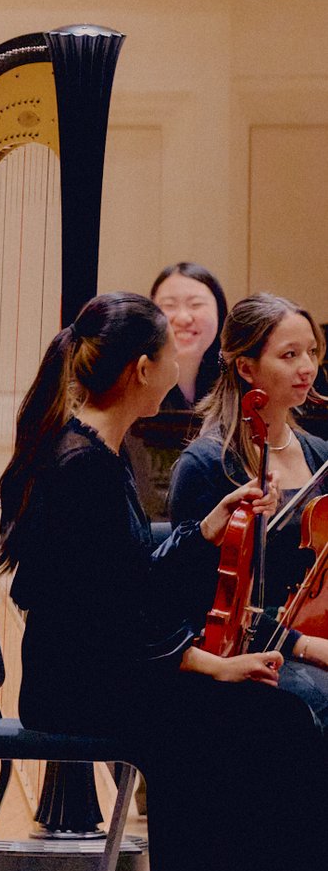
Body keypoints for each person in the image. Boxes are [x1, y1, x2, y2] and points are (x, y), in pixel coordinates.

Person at [0, 291, 326, 871]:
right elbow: (108, 623)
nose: (179, 369)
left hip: (96, 672)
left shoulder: (95, 452)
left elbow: (129, 580)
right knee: (276, 718)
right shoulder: (83, 468)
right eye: (169, 355)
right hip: (77, 686)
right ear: (143, 371)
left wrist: (205, 530)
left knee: (268, 715)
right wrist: (212, 664)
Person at [167, 293, 328, 728]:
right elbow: (192, 596)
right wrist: (308, 646)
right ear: (246, 367)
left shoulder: (320, 455)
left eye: (312, 352)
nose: (307, 367)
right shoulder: (206, 465)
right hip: (245, 654)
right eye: (289, 355)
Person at [151, 261, 228, 411]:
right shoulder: (135, 384)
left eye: (196, 304)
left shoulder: (236, 380)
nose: (183, 318)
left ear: (220, 311)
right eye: (169, 305)